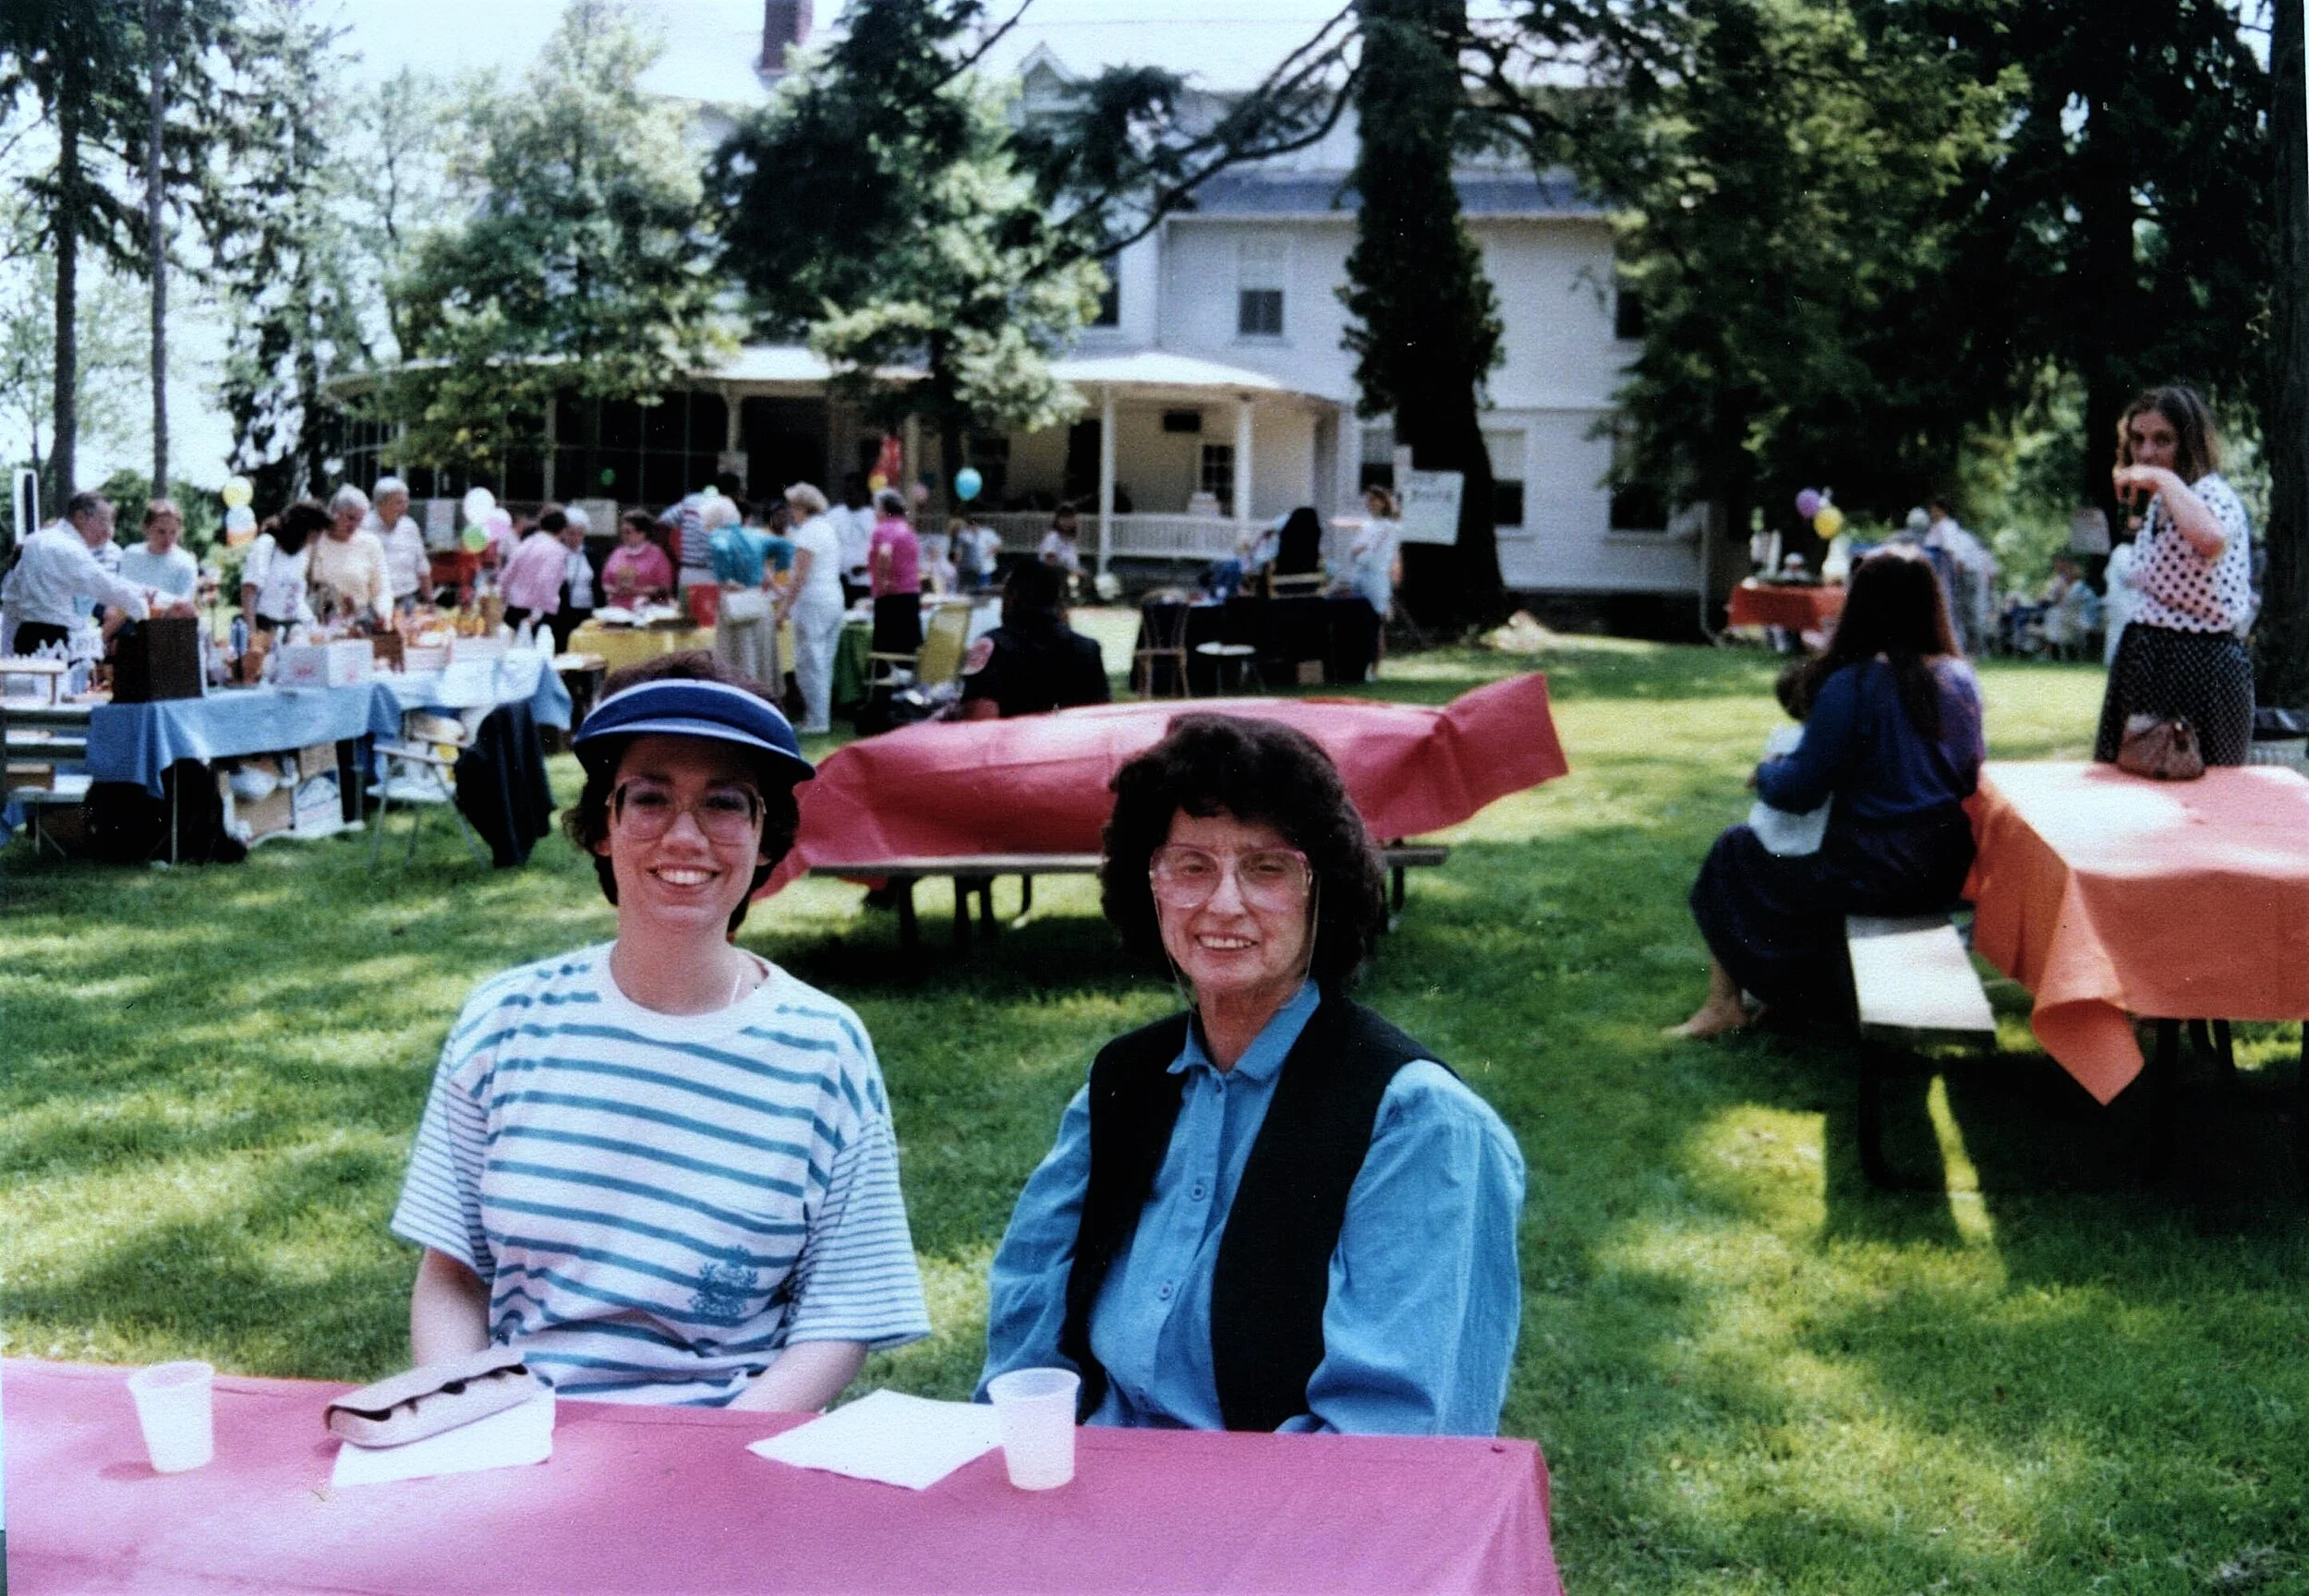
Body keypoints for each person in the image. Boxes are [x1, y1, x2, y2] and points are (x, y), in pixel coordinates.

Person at [392, 652, 931, 1406]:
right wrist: (463, 1416)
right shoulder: (504, 1022)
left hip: (726, 1451)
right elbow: (452, 1275)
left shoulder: (824, 1048)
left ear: (767, 838)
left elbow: (840, 1315)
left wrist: (714, 1462)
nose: (685, 836)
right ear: (602, 827)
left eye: (725, 803)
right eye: (649, 799)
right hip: (515, 1435)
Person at [979, 714, 1527, 1434]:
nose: (1223, 902)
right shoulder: (1122, 1084)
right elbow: (1027, 1341)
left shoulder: (1415, 1124)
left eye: (1268, 868)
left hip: (1293, 1524)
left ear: (1320, 890)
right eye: (1191, 865)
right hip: (1091, 1486)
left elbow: (1392, 1442)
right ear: (1151, 884)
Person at [1673, 548, 1985, 1036]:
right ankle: (1796, 1000)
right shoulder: (1959, 678)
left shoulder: (1854, 684)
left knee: (1735, 851)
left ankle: (1722, 1005)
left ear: (1859, 604)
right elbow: (1967, 776)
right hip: (1942, 868)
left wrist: (1767, 772)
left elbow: (1799, 792)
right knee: (1807, 866)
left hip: (1871, 867)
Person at [2093, 384, 2256, 767]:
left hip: (2205, 668)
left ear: (2189, 442)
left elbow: (2211, 539)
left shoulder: (2212, 494)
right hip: (2147, 658)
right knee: (2134, 781)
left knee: (2210, 792)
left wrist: (2165, 480)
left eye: (2162, 440)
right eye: (2138, 440)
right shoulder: (2160, 505)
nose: (2147, 453)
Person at [1, 491, 154, 654]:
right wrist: (143, 606)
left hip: (23, 634)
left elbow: (11, 596)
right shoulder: (67, 547)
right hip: (51, 639)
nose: (109, 532)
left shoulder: (34, 541)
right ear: (80, 517)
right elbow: (104, 586)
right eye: (104, 521)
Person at [958, 559, 1111, 719]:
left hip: (1012, 742)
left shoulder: (990, 646)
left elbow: (979, 719)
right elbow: (1102, 718)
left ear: (1011, 597)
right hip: (1072, 741)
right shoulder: (1088, 648)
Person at [780, 482, 846, 736]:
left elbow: (799, 576)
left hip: (814, 601)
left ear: (800, 507)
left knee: (810, 662)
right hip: (832, 596)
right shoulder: (827, 529)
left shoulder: (808, 533)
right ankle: (819, 716)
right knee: (823, 662)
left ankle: (816, 719)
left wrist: (784, 609)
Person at [708, 497, 790, 691]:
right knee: (758, 657)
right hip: (756, 602)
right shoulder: (756, 539)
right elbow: (767, 577)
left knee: (737, 655)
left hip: (735, 605)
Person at [308, 485, 392, 628]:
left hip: (360, 623)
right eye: (350, 518)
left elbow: (382, 589)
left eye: (360, 520)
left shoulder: (370, 543)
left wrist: (383, 614)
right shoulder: (314, 542)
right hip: (320, 623)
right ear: (334, 513)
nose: (354, 525)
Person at [240, 501, 329, 635]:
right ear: (304, 528)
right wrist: (251, 634)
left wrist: (313, 627)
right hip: (263, 626)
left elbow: (296, 598)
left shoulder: (301, 555)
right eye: (317, 532)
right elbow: (249, 591)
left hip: (289, 628)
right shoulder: (267, 545)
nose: (319, 538)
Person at [500, 507, 573, 636]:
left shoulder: (526, 543)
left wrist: (503, 602)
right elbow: (545, 581)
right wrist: (537, 614)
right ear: (562, 530)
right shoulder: (557, 550)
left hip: (513, 608)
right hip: (536, 613)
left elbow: (507, 575)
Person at [867, 487, 922, 656]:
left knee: (886, 648)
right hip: (910, 592)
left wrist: (882, 579)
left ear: (883, 509)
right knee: (907, 646)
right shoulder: (906, 528)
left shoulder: (884, 528)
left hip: (890, 594)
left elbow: (885, 552)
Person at [364, 477, 429, 618]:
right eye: (398, 502)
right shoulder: (364, 528)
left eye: (405, 501)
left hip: (407, 601)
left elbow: (422, 566)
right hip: (372, 605)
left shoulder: (410, 526)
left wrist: (430, 601)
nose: (404, 507)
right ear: (380, 503)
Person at [117, 499, 199, 603]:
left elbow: (184, 604)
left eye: (173, 532)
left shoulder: (185, 562)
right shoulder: (131, 554)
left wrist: (154, 601)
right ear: (146, 528)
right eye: (161, 532)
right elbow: (121, 593)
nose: (168, 538)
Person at [603, 509, 675, 606]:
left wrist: (637, 590)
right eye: (622, 532)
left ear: (642, 533)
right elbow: (605, 583)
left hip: (647, 609)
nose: (623, 536)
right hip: (617, 610)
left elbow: (664, 588)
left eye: (628, 532)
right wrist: (617, 590)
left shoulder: (657, 554)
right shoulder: (617, 553)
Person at [552, 505, 598, 653]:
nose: (575, 538)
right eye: (571, 533)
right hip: (563, 612)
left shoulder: (591, 554)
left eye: (580, 534)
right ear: (564, 533)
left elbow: (598, 584)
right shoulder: (557, 553)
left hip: (587, 610)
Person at [836, 474, 875, 603]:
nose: (848, 497)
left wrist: (865, 568)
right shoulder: (834, 515)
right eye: (846, 493)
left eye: (852, 493)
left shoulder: (873, 517)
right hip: (840, 582)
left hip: (866, 581)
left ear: (862, 493)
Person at [1038, 502, 1083, 587]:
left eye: (1070, 517)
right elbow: (1050, 564)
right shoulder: (1052, 537)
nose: (1067, 521)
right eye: (1064, 517)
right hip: (1054, 582)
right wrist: (1072, 573)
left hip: (1072, 581)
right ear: (1057, 519)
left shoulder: (1069, 541)